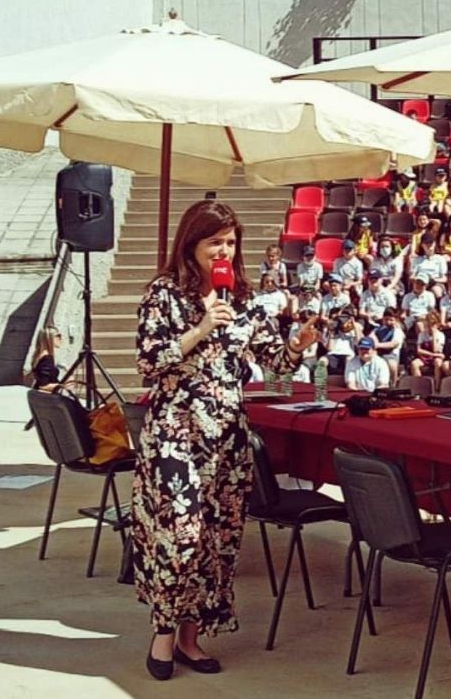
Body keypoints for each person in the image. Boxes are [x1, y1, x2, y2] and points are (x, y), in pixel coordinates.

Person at [134, 200, 317, 680]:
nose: (224, 252)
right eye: (215, 242)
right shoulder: (163, 295)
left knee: (217, 538)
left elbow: (275, 362)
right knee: (180, 535)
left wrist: (297, 344)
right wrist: (199, 329)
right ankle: (164, 631)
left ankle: (192, 640)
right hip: (175, 433)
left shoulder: (243, 299)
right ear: (191, 244)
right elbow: (150, 364)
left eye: (231, 243)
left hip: (227, 437)